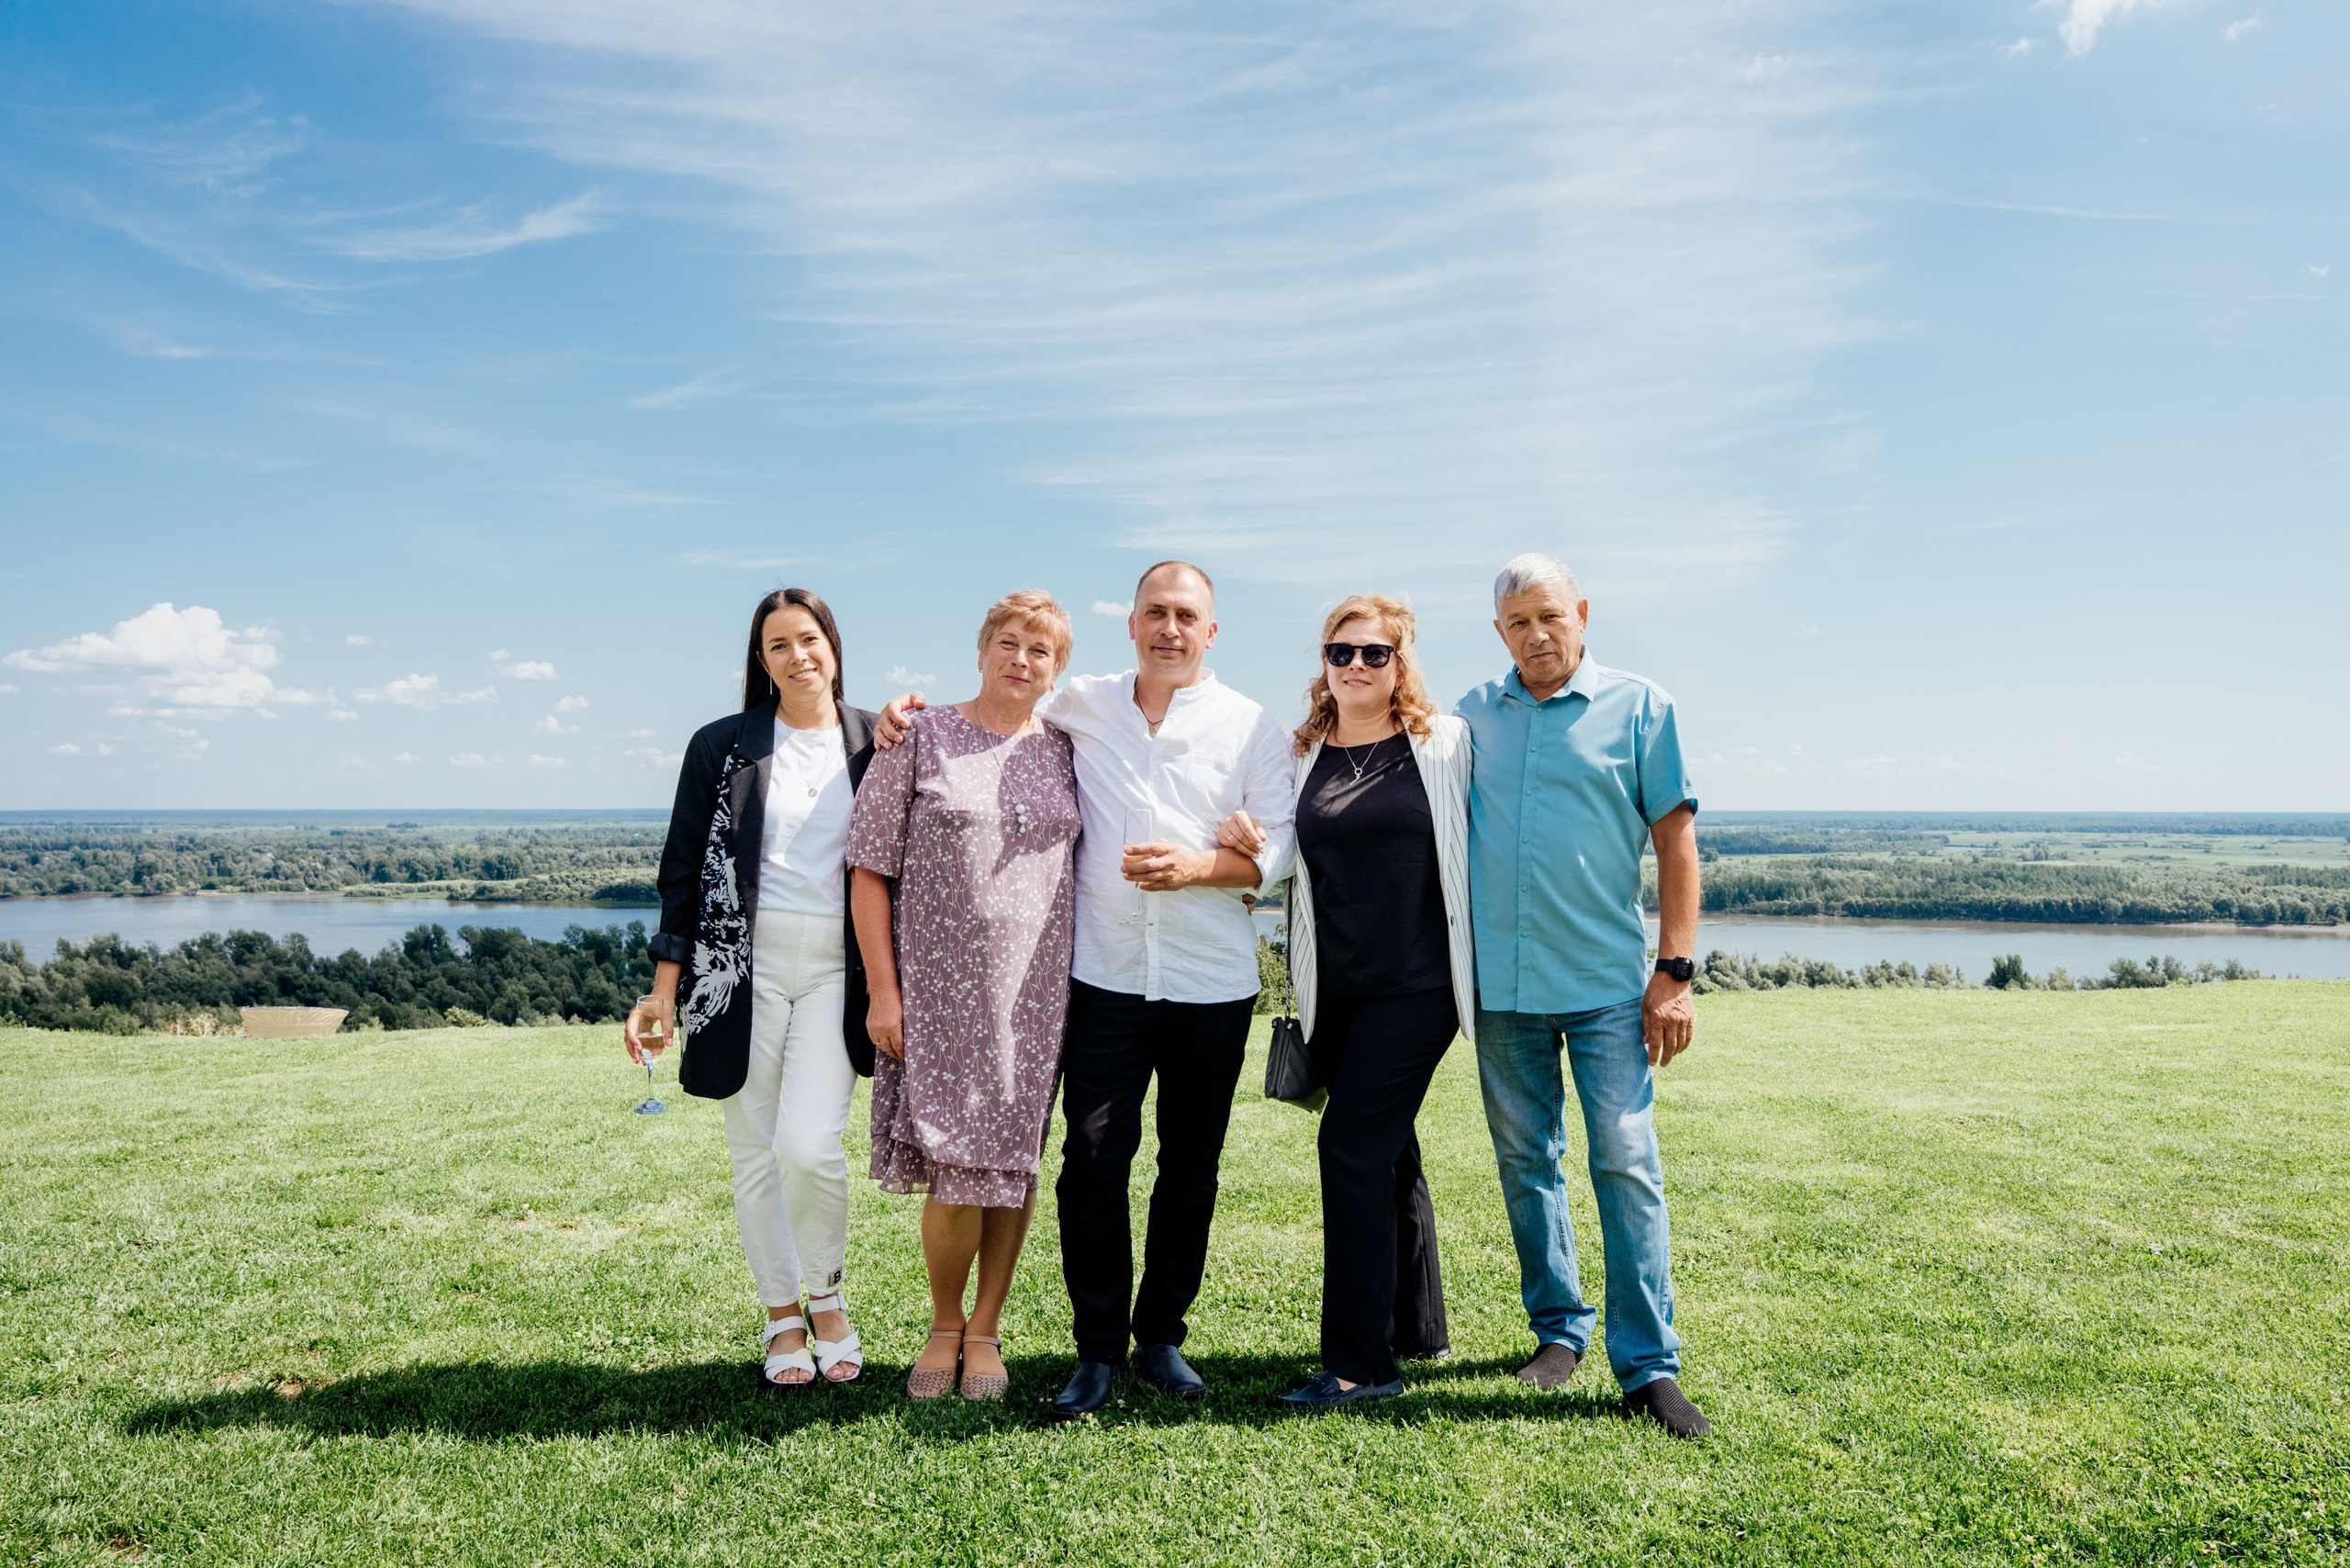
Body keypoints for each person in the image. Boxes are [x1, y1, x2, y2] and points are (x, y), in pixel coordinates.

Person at [876, 560, 1295, 1419]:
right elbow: (996, 706)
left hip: (1210, 981)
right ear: (1132, 624)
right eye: (1155, 613)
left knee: (1190, 1168)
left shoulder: (1252, 725)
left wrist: (1203, 866)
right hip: (1103, 976)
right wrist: (893, 714)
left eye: (1187, 616)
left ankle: (1162, 1338)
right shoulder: (1082, 704)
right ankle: (1096, 1351)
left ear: (1211, 632)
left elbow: (1280, 848)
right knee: (1093, 1162)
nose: (1170, 628)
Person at [1460, 552, 1711, 1439]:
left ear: (1583, 615)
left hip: (1608, 985)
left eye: (1551, 617)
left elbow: (1677, 843)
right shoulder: (1468, 718)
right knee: (1526, 1163)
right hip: (1501, 988)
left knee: (1626, 1161)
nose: (1537, 636)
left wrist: (1674, 973)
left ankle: (1649, 1367)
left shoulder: (1642, 708)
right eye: (1519, 623)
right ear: (1500, 633)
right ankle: (1559, 1332)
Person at [1215, 595, 1477, 1412]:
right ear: (1323, 663)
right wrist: (1251, 851)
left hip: (1421, 987)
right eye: (1341, 652)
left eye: (1374, 653)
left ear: (1401, 663)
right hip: (1334, 990)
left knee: (1352, 1148)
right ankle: (1416, 1328)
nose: (1355, 666)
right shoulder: (1302, 753)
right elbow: (1284, 851)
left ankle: (1362, 1367)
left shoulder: (1445, 744)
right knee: (1391, 1152)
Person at [629, 588, 878, 1391]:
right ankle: (782, 1316)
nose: (797, 656)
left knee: (810, 1147)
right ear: (761, 660)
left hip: (839, 970)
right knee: (756, 1154)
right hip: (740, 974)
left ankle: (827, 1297)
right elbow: (681, 874)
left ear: (832, 646)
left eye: (809, 639)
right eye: (778, 645)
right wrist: (662, 994)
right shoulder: (721, 746)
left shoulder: (878, 741)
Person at [846, 590, 1083, 1401]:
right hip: (937, 996)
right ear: (982, 650)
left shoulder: (1068, 747)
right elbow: (869, 868)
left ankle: (986, 1328)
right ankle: (944, 1324)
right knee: (954, 1168)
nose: (1022, 660)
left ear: (1057, 669)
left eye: (1041, 650)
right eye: (1009, 642)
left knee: (1011, 1165)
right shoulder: (919, 735)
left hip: (1036, 999)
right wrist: (884, 993)